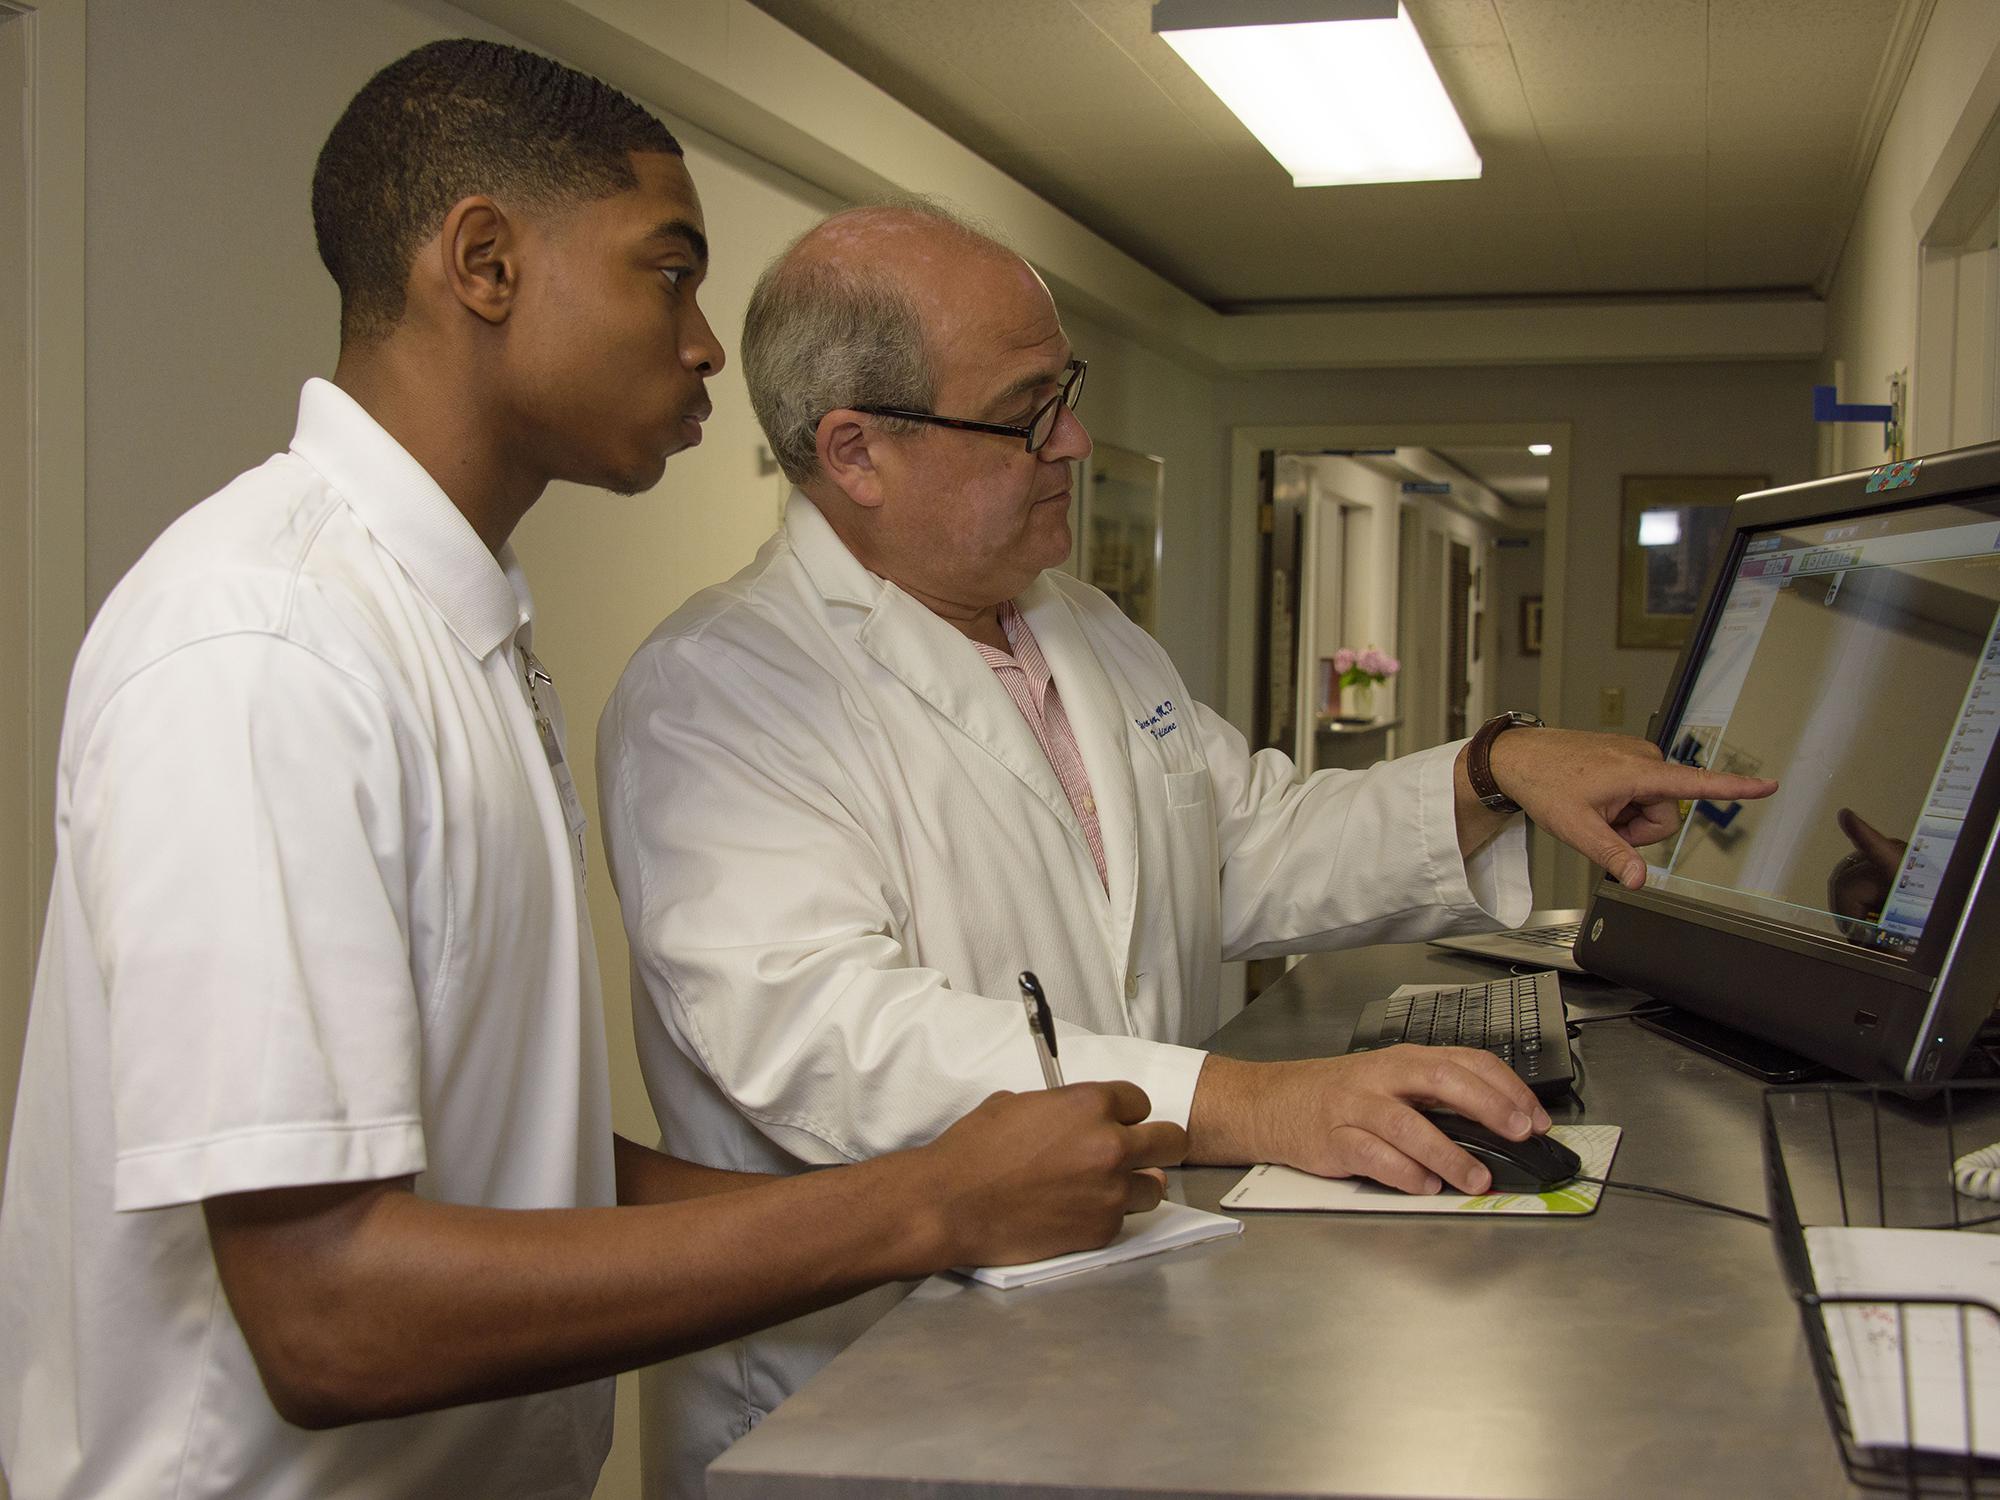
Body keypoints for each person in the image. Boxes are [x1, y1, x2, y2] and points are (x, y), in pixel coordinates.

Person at [0, 48, 1186, 1500]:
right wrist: (919, 1209)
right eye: (669, 273)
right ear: (485, 263)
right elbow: (329, 1316)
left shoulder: (455, 633)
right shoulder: (272, 645)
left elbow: (517, 1156)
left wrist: (951, 1215)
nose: (704, 344)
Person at [596, 199, 1779, 1496]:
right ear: (858, 451)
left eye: (1070, 392)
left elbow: (1244, 839)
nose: (1077, 442)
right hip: (862, 1388)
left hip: (1104, 1330)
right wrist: (1254, 1106)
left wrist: (1491, 772)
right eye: (1029, 408)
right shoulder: (719, 693)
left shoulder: (1081, 628)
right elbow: (831, 1037)